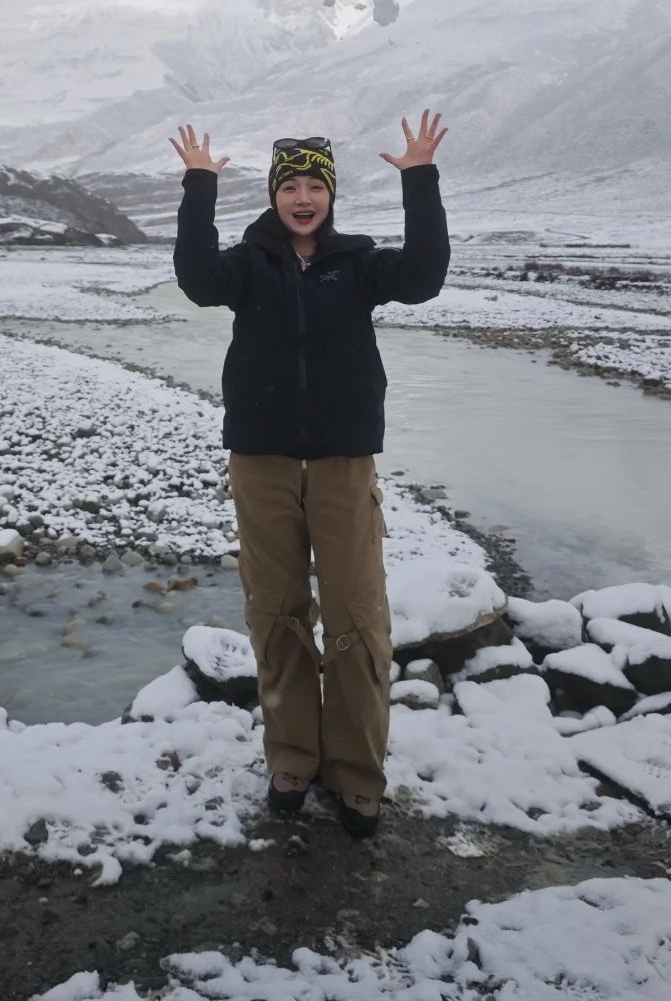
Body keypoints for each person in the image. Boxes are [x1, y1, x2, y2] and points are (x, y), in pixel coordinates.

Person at [170, 114, 450, 838]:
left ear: (330, 196)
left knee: (358, 613)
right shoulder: (246, 264)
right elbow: (197, 281)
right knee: (277, 610)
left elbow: (423, 278)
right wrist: (200, 186)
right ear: (271, 195)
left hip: (342, 461)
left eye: (313, 185)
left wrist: (419, 178)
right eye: (289, 184)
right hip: (260, 460)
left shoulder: (358, 264)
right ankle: (292, 757)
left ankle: (357, 772)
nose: (302, 196)